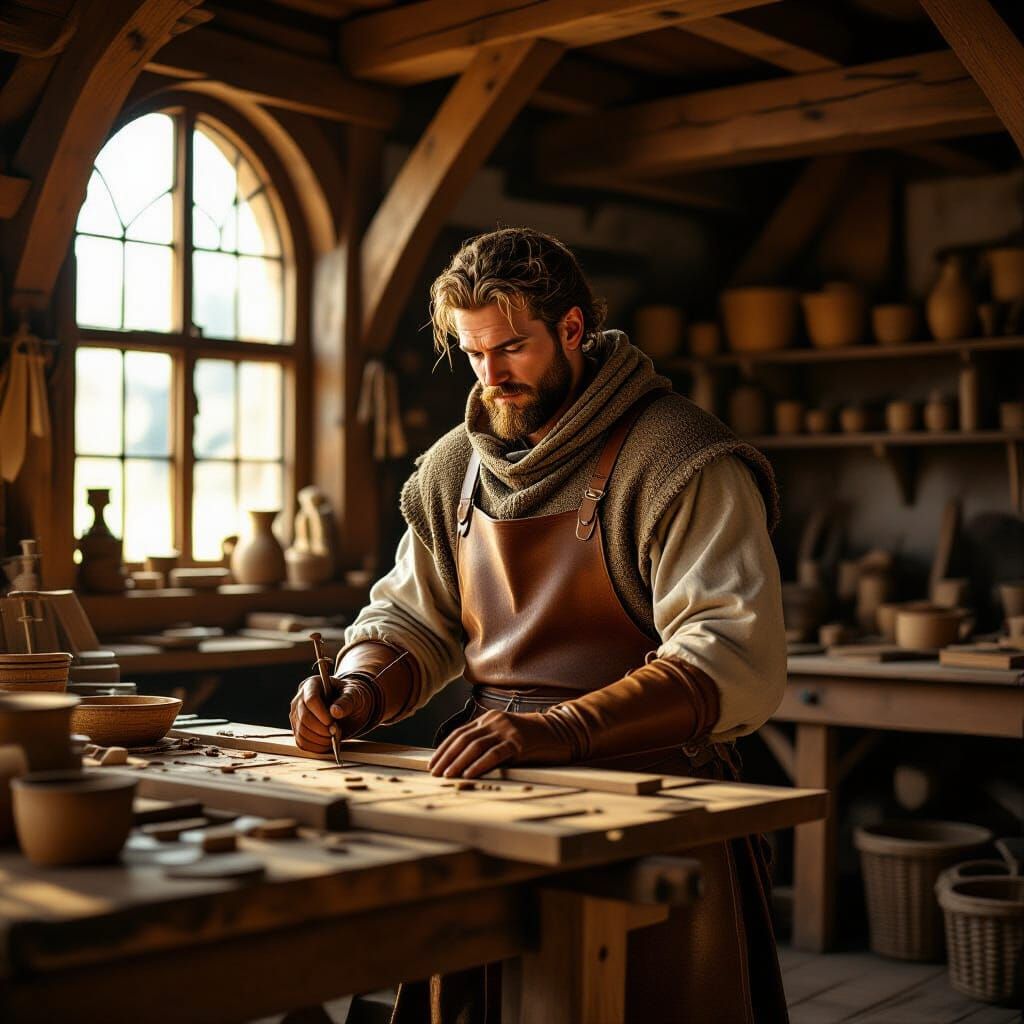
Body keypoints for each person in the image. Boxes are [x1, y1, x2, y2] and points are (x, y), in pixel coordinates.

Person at [290, 227, 789, 1023]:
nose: (491, 375)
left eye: (512, 348)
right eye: (473, 351)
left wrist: (559, 729)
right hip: (488, 788)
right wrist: (358, 688)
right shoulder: (453, 468)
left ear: (573, 328)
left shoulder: (683, 459)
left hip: (649, 798)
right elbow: (413, 614)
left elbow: (732, 656)